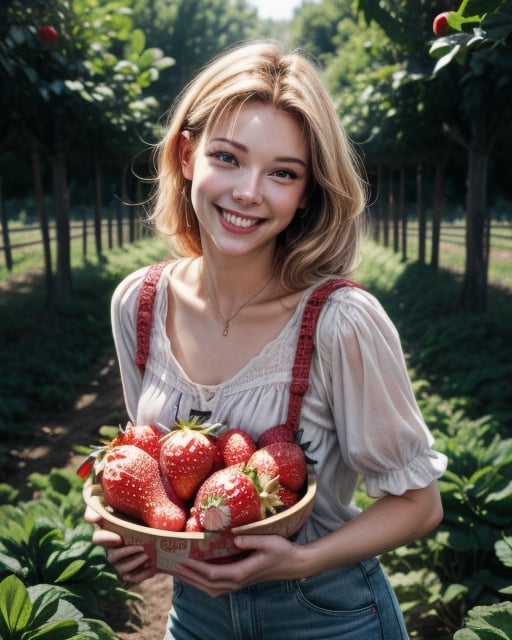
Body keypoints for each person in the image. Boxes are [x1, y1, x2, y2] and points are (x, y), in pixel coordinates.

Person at [85, 39, 447, 639]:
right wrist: (127, 533)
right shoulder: (139, 305)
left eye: (282, 173)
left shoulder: (341, 322)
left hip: (327, 616)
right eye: (227, 158)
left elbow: (421, 505)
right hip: (195, 617)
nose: (249, 192)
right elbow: (150, 465)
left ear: (305, 193)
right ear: (186, 155)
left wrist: (301, 559)